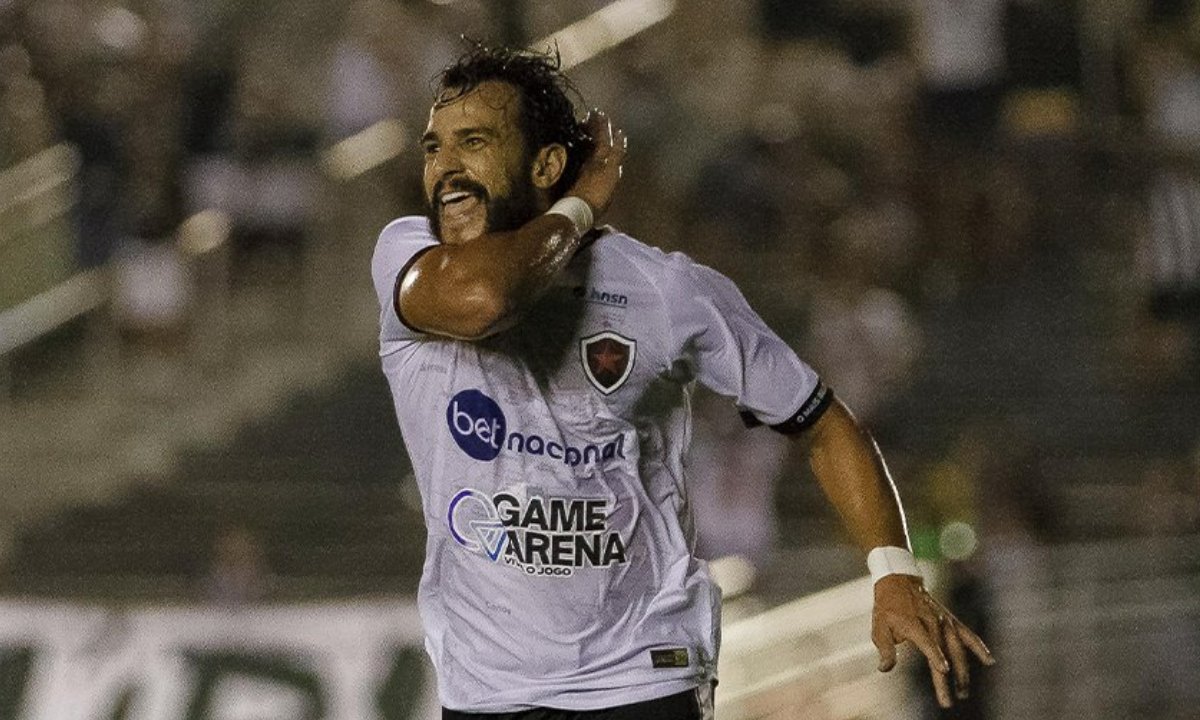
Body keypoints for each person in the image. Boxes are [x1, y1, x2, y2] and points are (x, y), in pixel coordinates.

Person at [371, 44, 993, 719]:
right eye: (434, 148)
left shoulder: (666, 291)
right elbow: (489, 297)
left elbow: (822, 419)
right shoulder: (410, 258)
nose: (445, 168)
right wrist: (581, 201)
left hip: (645, 673)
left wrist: (893, 571)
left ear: (545, 164)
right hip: (490, 687)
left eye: (474, 142)